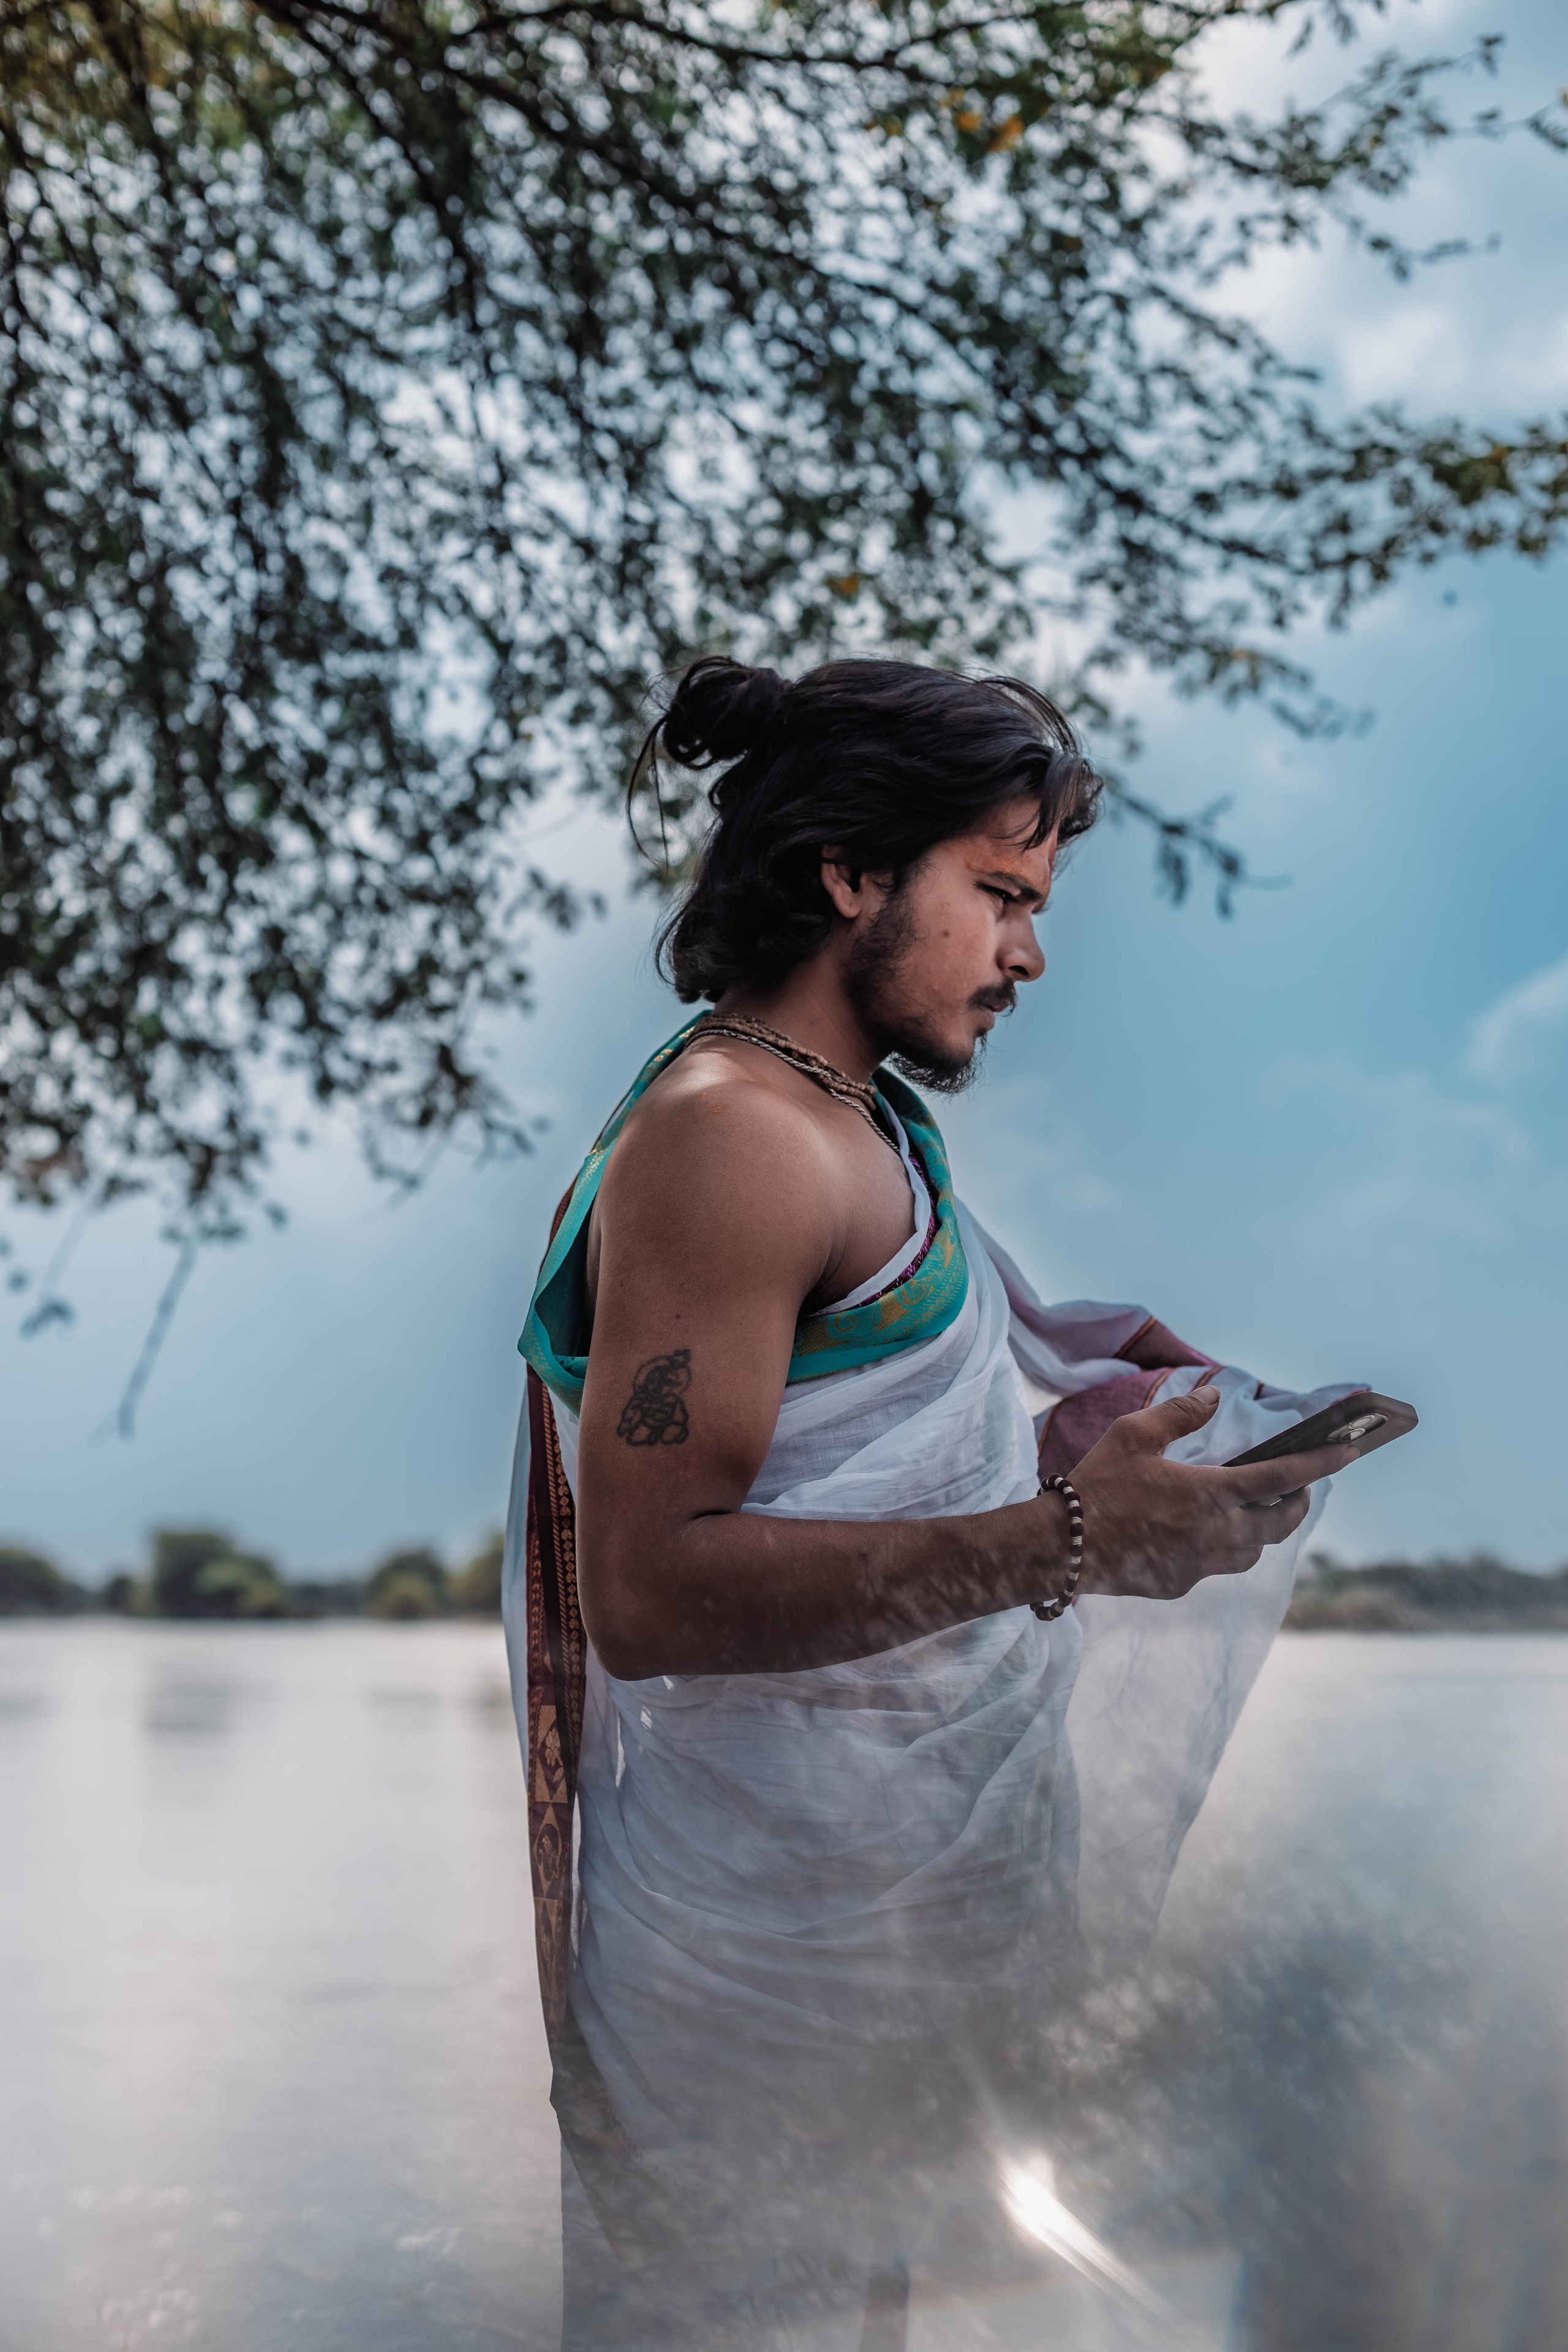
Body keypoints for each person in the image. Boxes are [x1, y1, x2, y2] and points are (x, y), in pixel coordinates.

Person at [502, 657, 1359, 2350]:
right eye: (1004, 895)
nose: (1030, 957)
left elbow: (840, 1471)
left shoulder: (856, 1126)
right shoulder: (730, 1139)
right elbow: (657, 1589)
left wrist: (1072, 1467)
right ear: (849, 873)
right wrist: (1072, 1543)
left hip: (870, 1957)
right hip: (752, 1990)